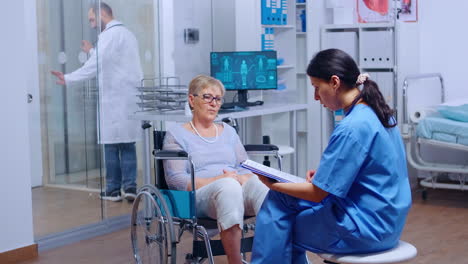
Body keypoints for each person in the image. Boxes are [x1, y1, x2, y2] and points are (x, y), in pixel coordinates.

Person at [251, 49, 412, 263]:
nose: (316, 97)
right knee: (283, 203)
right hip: (387, 222)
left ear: (335, 82)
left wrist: (272, 184)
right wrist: (327, 176)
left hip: (365, 230)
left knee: (280, 220)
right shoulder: (378, 114)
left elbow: (318, 194)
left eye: (317, 88)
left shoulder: (351, 127)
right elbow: (376, 170)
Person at [163, 75, 268, 264]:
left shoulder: (228, 131)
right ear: (191, 100)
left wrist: (246, 177)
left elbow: (244, 165)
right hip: (200, 196)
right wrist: (220, 180)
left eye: (218, 99)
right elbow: (177, 180)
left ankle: (269, 258)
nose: (214, 103)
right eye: (207, 97)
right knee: (228, 186)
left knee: (262, 187)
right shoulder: (176, 134)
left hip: (234, 187)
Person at [51, 2, 143, 202]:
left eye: (92, 19)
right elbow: (112, 61)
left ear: (102, 14)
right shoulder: (126, 34)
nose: (92, 25)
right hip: (128, 99)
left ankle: (112, 189)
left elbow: (95, 66)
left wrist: (68, 78)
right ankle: (130, 188)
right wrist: (93, 50)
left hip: (116, 98)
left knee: (111, 144)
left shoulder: (110, 35)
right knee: (127, 144)